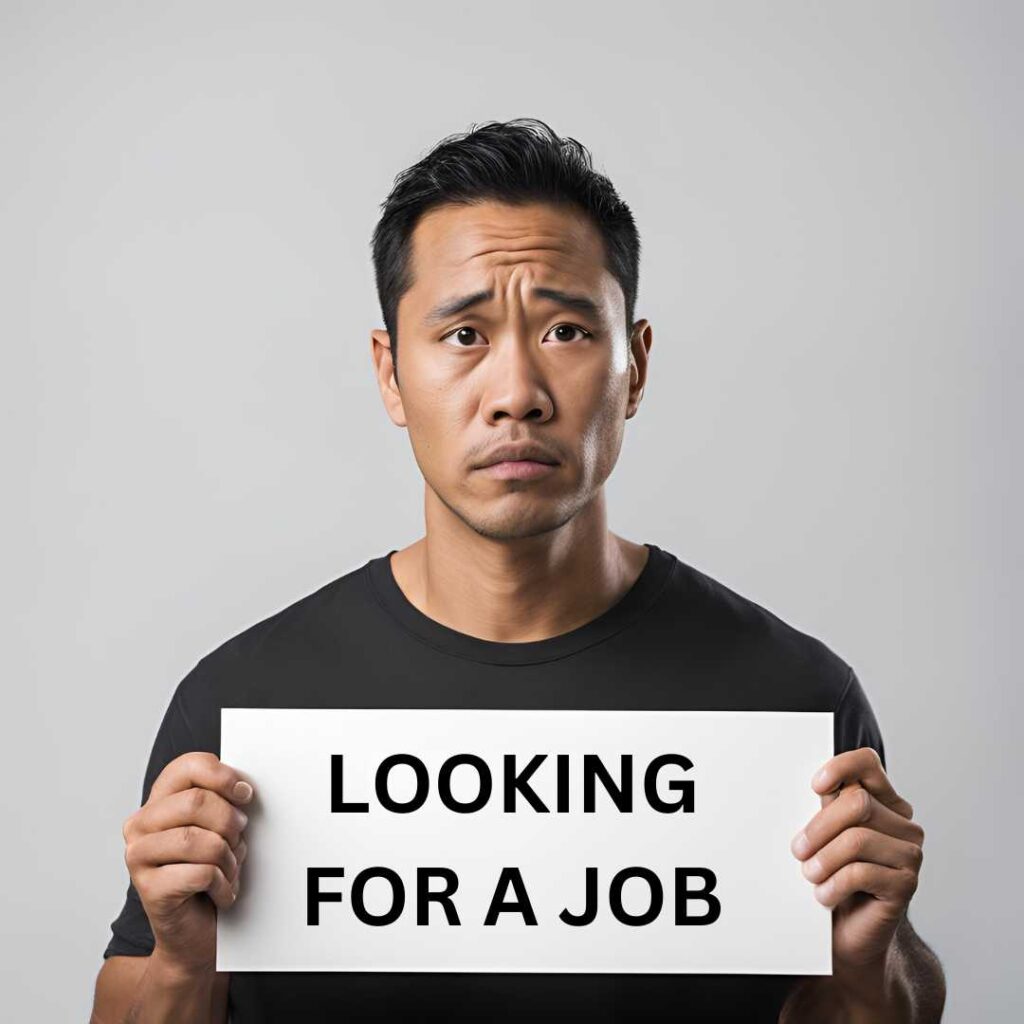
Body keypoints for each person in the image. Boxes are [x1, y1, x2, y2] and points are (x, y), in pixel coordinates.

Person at [90, 118, 946, 1023]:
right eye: (463, 335)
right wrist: (185, 962)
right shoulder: (244, 704)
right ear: (390, 374)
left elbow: (865, 1005)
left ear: (636, 367)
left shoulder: (792, 698)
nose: (516, 393)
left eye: (568, 330)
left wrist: (869, 961)